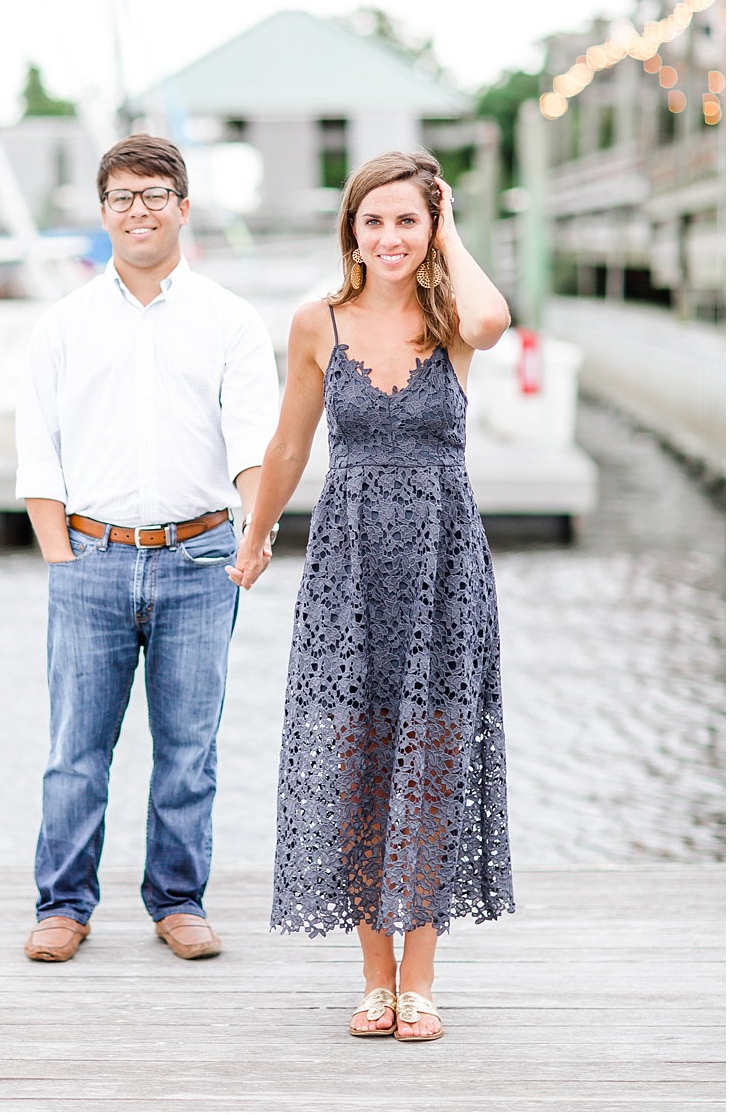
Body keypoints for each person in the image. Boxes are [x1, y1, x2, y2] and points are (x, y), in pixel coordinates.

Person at [229, 150, 515, 1042]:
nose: (389, 237)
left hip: (442, 566)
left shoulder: (451, 318)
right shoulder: (317, 321)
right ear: (349, 228)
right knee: (358, 762)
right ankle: (374, 977)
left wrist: (452, 216)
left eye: (408, 220)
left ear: (432, 227)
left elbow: (494, 317)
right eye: (372, 220)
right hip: (348, 567)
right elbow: (287, 445)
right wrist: (256, 530)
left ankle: (422, 979)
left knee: (427, 764)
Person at [16, 134, 279, 964]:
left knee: (189, 749)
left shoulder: (231, 321)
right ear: (103, 213)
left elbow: (253, 439)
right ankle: (63, 904)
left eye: (155, 194)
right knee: (74, 753)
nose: (139, 209)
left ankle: (177, 900)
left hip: (200, 557)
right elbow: (38, 449)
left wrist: (256, 526)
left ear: (183, 207)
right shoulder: (63, 324)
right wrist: (60, 555)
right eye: (124, 196)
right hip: (89, 556)